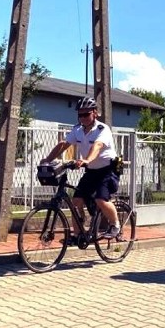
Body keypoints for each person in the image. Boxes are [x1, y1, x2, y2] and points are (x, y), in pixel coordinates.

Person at [40, 97, 122, 240]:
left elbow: (97, 146)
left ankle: (115, 225)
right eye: (80, 114)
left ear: (95, 113)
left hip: (108, 169)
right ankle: (78, 235)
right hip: (91, 170)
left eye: (86, 114)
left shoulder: (103, 129)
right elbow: (64, 144)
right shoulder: (77, 130)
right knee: (76, 202)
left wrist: (86, 160)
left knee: (100, 200)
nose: (82, 117)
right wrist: (47, 160)